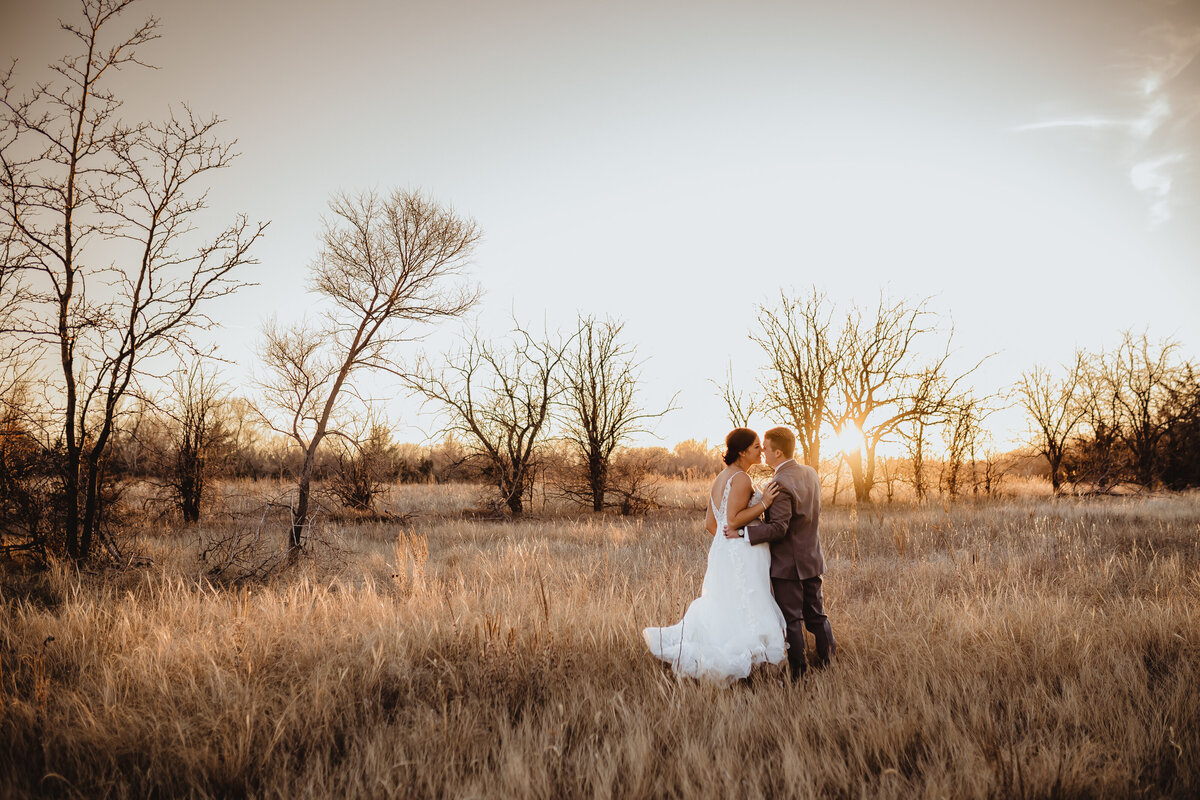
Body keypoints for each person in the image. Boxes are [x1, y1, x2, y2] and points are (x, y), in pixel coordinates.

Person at [642, 428, 786, 683]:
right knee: (747, 601)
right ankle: (742, 659)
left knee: (728, 602)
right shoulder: (741, 478)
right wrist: (764, 504)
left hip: (723, 550)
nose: (761, 451)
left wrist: (726, 542)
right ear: (742, 452)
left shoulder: (721, 478)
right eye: (755, 447)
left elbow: (712, 524)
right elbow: (732, 519)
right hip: (743, 552)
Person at [733, 426, 836, 679]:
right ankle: (829, 663)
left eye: (766, 449)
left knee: (791, 621)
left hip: (788, 566)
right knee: (817, 616)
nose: (763, 453)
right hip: (812, 559)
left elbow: (779, 529)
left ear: (778, 452)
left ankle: (799, 674)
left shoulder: (779, 483)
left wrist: (743, 534)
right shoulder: (810, 473)